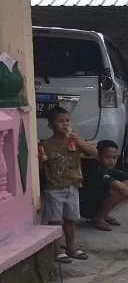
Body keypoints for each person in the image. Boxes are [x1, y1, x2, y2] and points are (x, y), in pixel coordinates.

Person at [40, 107, 98, 263]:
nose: (64, 124)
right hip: (53, 188)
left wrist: (78, 140)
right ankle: (57, 250)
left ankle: (71, 247)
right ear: (51, 125)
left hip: (72, 186)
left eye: (67, 121)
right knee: (55, 221)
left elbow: (94, 152)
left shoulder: (74, 141)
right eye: (60, 121)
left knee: (71, 219)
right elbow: (41, 165)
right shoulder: (46, 144)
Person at [80, 140, 128, 231]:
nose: (112, 161)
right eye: (107, 157)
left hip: (98, 200)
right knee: (120, 189)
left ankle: (104, 214)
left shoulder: (108, 168)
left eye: (114, 157)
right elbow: (120, 187)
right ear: (98, 157)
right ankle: (98, 218)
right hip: (86, 206)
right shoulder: (96, 171)